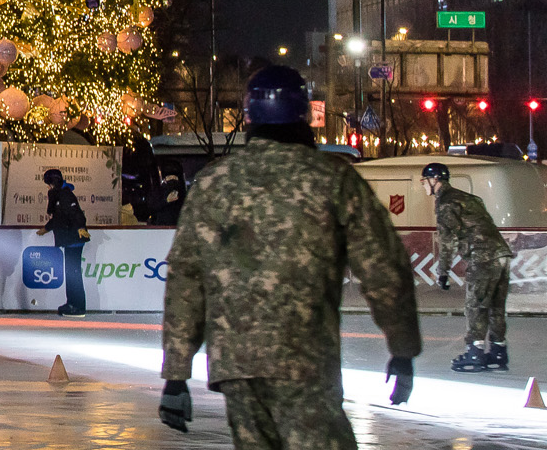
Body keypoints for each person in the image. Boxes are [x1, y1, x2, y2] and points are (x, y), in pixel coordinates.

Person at [159, 65, 419, 447]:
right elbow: (383, 269)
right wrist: (402, 348)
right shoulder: (332, 179)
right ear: (303, 116)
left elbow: (186, 277)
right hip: (305, 359)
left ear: (249, 118)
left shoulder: (215, 183)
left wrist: (176, 374)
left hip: (238, 365)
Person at [424, 160, 513, 371]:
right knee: (496, 307)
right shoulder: (470, 198)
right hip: (502, 254)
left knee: (475, 305)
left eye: (425, 180)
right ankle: (499, 351)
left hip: (482, 257)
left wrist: (442, 272)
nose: (423, 185)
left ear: (435, 180)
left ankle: (475, 352)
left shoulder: (445, 203)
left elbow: (447, 242)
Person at [35, 168, 88, 316]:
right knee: (71, 272)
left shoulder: (64, 195)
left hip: (74, 239)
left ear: (53, 183)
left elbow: (75, 213)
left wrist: (80, 228)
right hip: (69, 238)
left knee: (74, 273)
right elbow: (58, 218)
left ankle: (78, 306)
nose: (48, 187)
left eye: (49, 184)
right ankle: (71, 302)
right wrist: (46, 228)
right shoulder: (59, 195)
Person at [147, 160, 186, 226]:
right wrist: (166, 200)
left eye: (175, 178)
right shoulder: (158, 191)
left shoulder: (182, 193)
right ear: (165, 179)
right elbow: (151, 207)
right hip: (161, 228)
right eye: (170, 178)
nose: (172, 180)